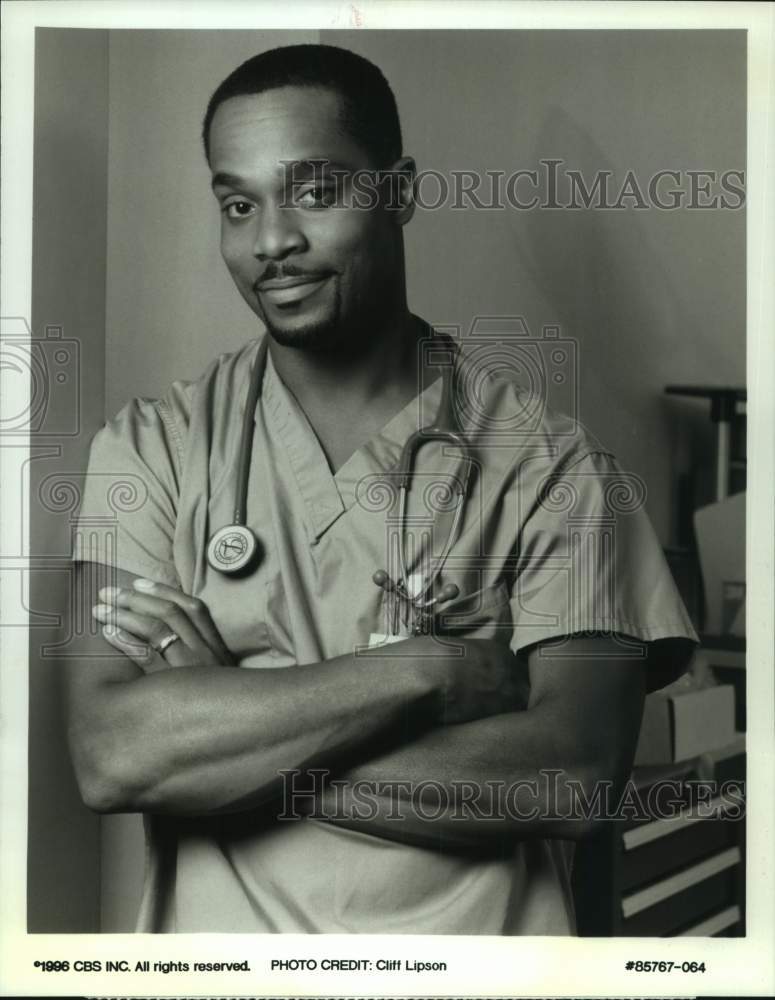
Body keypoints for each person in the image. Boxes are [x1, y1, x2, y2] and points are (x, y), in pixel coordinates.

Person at [66, 44, 698, 934]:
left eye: (314, 193)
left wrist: (232, 737)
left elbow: (573, 778)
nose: (271, 242)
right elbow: (114, 756)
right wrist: (421, 671)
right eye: (238, 205)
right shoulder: (145, 454)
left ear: (398, 192)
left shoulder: (556, 469)